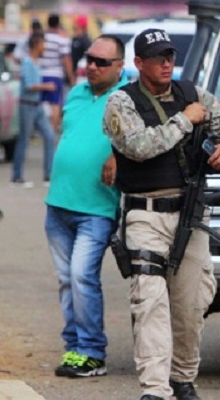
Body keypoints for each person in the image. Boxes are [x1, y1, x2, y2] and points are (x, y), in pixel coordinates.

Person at [103, 28, 220, 400]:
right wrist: (185, 120)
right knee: (149, 302)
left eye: (170, 56)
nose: (166, 63)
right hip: (146, 214)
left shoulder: (192, 94)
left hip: (190, 213)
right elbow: (138, 147)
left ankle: (182, 377)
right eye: (158, 58)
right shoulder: (122, 102)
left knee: (190, 304)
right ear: (139, 63)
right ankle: (155, 388)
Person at [45, 34, 127, 378]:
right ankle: (75, 347)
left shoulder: (128, 97)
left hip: (96, 209)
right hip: (58, 204)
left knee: (82, 276)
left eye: (101, 62)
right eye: (89, 60)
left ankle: (92, 352)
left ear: (120, 66)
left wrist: (117, 154)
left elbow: (142, 140)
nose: (92, 66)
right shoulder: (77, 93)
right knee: (67, 280)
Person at [10, 33, 56, 188]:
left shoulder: (37, 62)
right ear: (37, 44)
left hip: (38, 105)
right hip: (27, 105)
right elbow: (29, 85)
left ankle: (48, 175)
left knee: (49, 136)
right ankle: (17, 176)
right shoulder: (27, 63)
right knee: (24, 139)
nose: (44, 47)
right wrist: (46, 86)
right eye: (43, 44)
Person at [41, 13, 75, 134]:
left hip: (40, 73)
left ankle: (40, 131)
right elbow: (66, 59)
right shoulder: (61, 39)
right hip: (55, 75)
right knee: (55, 104)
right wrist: (71, 76)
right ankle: (52, 131)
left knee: (40, 103)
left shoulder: (42, 38)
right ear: (58, 24)